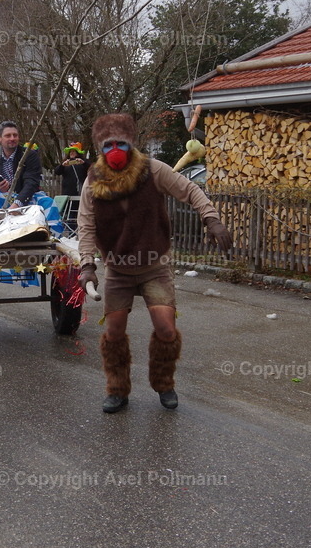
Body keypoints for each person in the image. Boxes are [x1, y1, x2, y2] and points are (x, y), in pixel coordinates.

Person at [76, 113, 232, 414]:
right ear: (100, 147)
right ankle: (117, 389)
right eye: (108, 145)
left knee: (166, 329)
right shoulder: (93, 180)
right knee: (115, 331)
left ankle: (164, 383)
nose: (115, 150)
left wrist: (211, 218)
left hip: (153, 265)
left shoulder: (153, 170)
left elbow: (191, 190)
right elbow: (86, 225)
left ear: (132, 143)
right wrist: (87, 265)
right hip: (119, 269)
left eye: (121, 143)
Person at [0, 121, 43, 207]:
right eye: (8, 136)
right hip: (0, 200)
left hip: (26, 199)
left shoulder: (29, 155)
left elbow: (31, 182)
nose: (12, 138)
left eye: (15, 135)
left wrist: (18, 203)